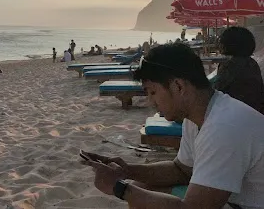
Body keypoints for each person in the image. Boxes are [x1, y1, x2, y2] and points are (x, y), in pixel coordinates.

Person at [83, 43, 264, 208]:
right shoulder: (200, 116)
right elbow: (182, 170)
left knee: (138, 196)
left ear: (178, 86)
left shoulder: (223, 127)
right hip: (235, 200)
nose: (150, 101)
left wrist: (119, 189)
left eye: (153, 92)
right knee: (142, 187)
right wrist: (126, 171)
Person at [213, 26, 264, 114]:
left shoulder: (230, 65)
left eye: (222, 41)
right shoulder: (251, 63)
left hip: (236, 114)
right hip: (255, 112)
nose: (219, 44)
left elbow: (217, 93)